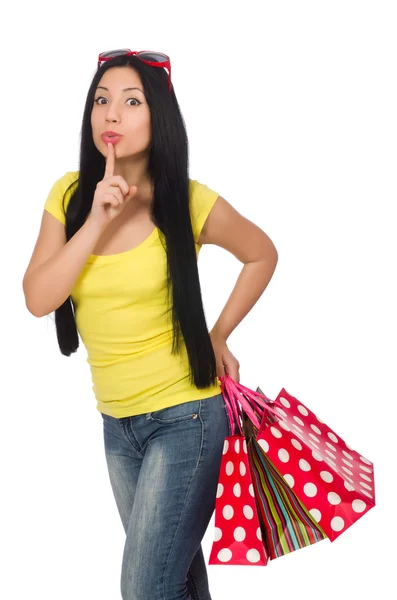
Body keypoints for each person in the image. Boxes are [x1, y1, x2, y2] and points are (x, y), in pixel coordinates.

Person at [22, 49, 278, 600]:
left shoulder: (188, 202)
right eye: (101, 100)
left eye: (130, 101)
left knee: (146, 588)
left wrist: (219, 333)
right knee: (177, 578)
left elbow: (262, 253)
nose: (111, 113)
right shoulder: (69, 197)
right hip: (117, 426)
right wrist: (95, 220)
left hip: (186, 418)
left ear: (158, 115)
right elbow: (39, 298)